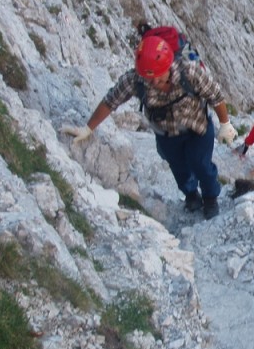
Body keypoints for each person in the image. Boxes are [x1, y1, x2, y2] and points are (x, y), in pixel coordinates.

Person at [63, 35, 237, 219]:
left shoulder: (190, 73)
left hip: (197, 128)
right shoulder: (136, 80)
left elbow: (216, 97)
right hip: (167, 134)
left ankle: (211, 198)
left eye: (157, 78)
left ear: (168, 67)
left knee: (201, 164)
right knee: (179, 168)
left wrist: (225, 124)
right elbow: (110, 101)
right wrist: (89, 128)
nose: (152, 82)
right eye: (148, 77)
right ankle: (191, 195)